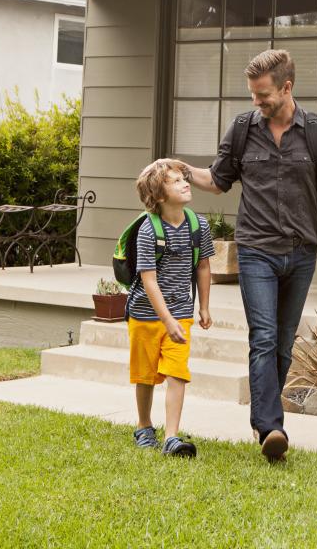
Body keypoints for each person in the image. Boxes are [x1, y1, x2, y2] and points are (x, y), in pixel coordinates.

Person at [178, 49, 317, 461]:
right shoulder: (243, 130)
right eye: (253, 95)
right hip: (256, 250)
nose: (256, 103)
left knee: (282, 344)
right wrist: (183, 170)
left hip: (301, 254)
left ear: (287, 88)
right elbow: (219, 180)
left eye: (263, 95)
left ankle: (263, 418)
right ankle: (271, 427)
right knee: (263, 337)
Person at [126, 159, 214, 457]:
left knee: (178, 372)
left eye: (183, 179)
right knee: (145, 374)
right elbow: (148, 280)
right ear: (160, 197)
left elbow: (203, 266)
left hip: (182, 313)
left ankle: (171, 437)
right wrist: (166, 320)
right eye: (175, 181)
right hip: (145, 314)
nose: (185, 183)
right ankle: (143, 425)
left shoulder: (198, 225)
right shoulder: (148, 230)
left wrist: (203, 306)